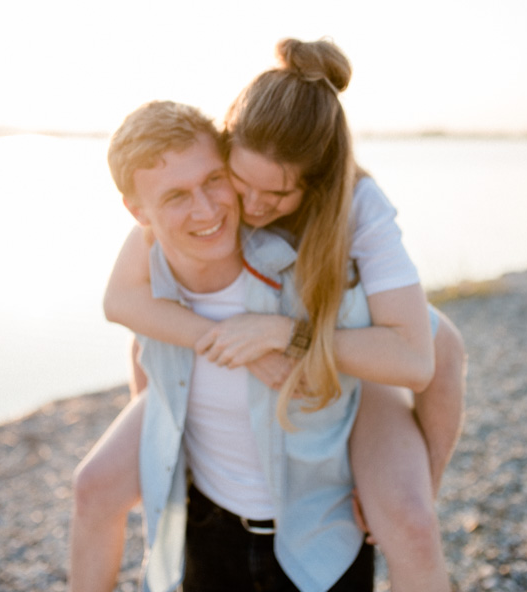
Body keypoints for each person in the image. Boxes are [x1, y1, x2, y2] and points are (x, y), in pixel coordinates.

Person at [73, 38, 466, 591]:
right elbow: (128, 306)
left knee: (410, 520)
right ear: (228, 146)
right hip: (231, 419)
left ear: (315, 181)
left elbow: (428, 349)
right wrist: (220, 343)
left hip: (346, 363)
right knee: (96, 479)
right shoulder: (186, 205)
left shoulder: (356, 209)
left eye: (277, 194)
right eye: (239, 181)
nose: (249, 206)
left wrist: (286, 335)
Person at [74, 99, 374, 592]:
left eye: (214, 180)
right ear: (137, 211)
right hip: (210, 537)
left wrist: (392, 480)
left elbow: (413, 349)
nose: (207, 209)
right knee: (91, 486)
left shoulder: (301, 266)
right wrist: (226, 344)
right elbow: (138, 340)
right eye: (176, 196)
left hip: (316, 548)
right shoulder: (155, 282)